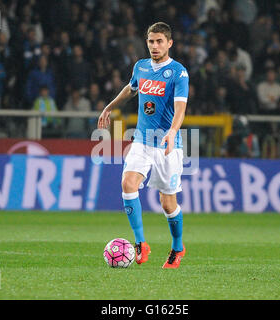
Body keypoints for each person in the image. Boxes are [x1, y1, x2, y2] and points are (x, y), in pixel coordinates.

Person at [97, 22, 189, 269]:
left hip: (169, 145)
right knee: (128, 184)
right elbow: (131, 88)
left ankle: (177, 248)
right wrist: (109, 106)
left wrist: (172, 131)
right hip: (142, 141)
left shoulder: (179, 73)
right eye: (151, 41)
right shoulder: (141, 67)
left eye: (160, 41)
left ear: (169, 43)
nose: (155, 46)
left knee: (167, 203)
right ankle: (141, 243)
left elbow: (181, 107)